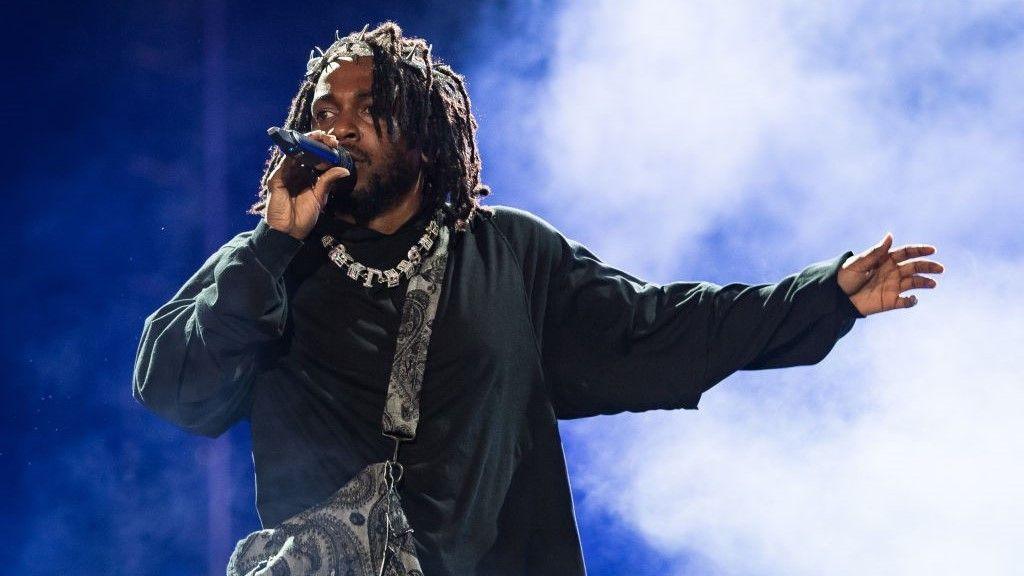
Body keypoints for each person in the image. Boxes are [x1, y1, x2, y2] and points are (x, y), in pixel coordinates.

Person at [132, 21, 943, 576]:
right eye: (324, 112)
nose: (339, 128)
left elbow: (653, 331)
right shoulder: (265, 261)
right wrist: (274, 245)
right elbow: (178, 391)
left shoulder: (509, 254)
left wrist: (822, 297)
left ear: (421, 135)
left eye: (368, 111)